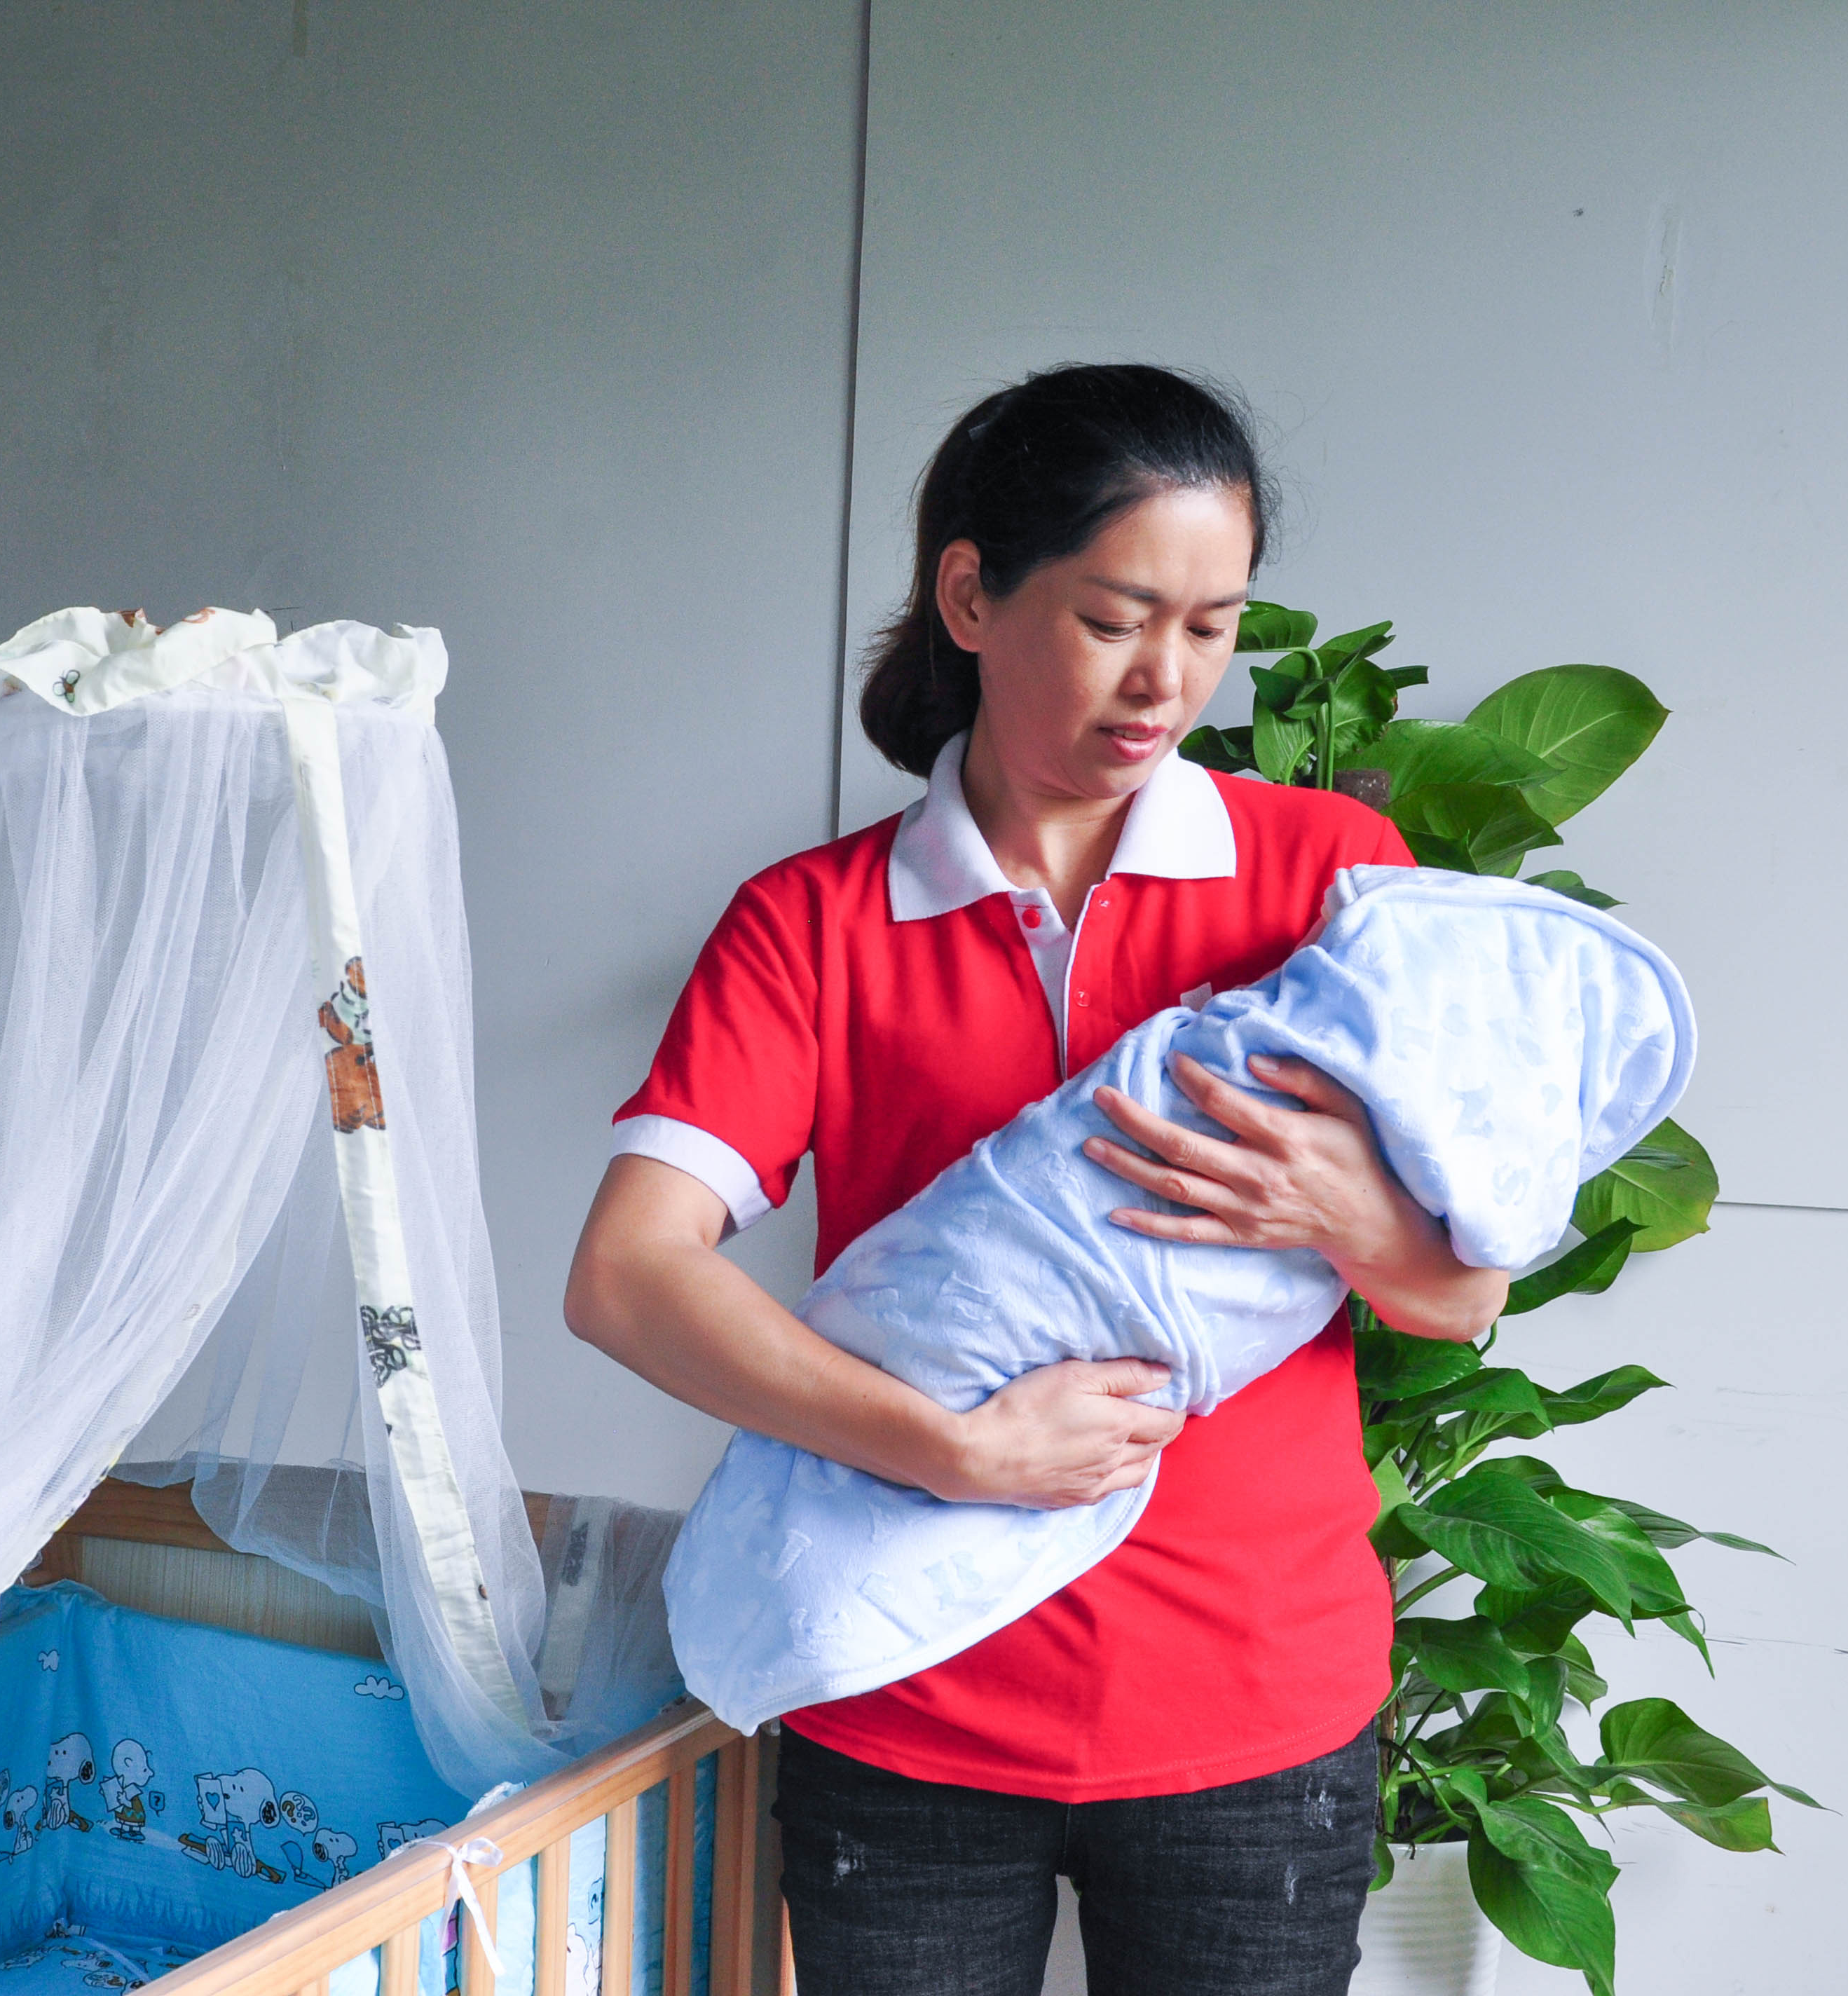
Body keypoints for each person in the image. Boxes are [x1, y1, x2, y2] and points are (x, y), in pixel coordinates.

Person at [564, 364, 1510, 1995]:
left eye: (1209, 625)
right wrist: (951, 1447)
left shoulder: (1323, 881)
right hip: (908, 1701)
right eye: (1113, 616)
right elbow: (626, 1275)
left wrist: (1331, 1205)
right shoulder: (813, 921)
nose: (1164, 680)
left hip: (1254, 1708)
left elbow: (1459, 1292)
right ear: (969, 593)